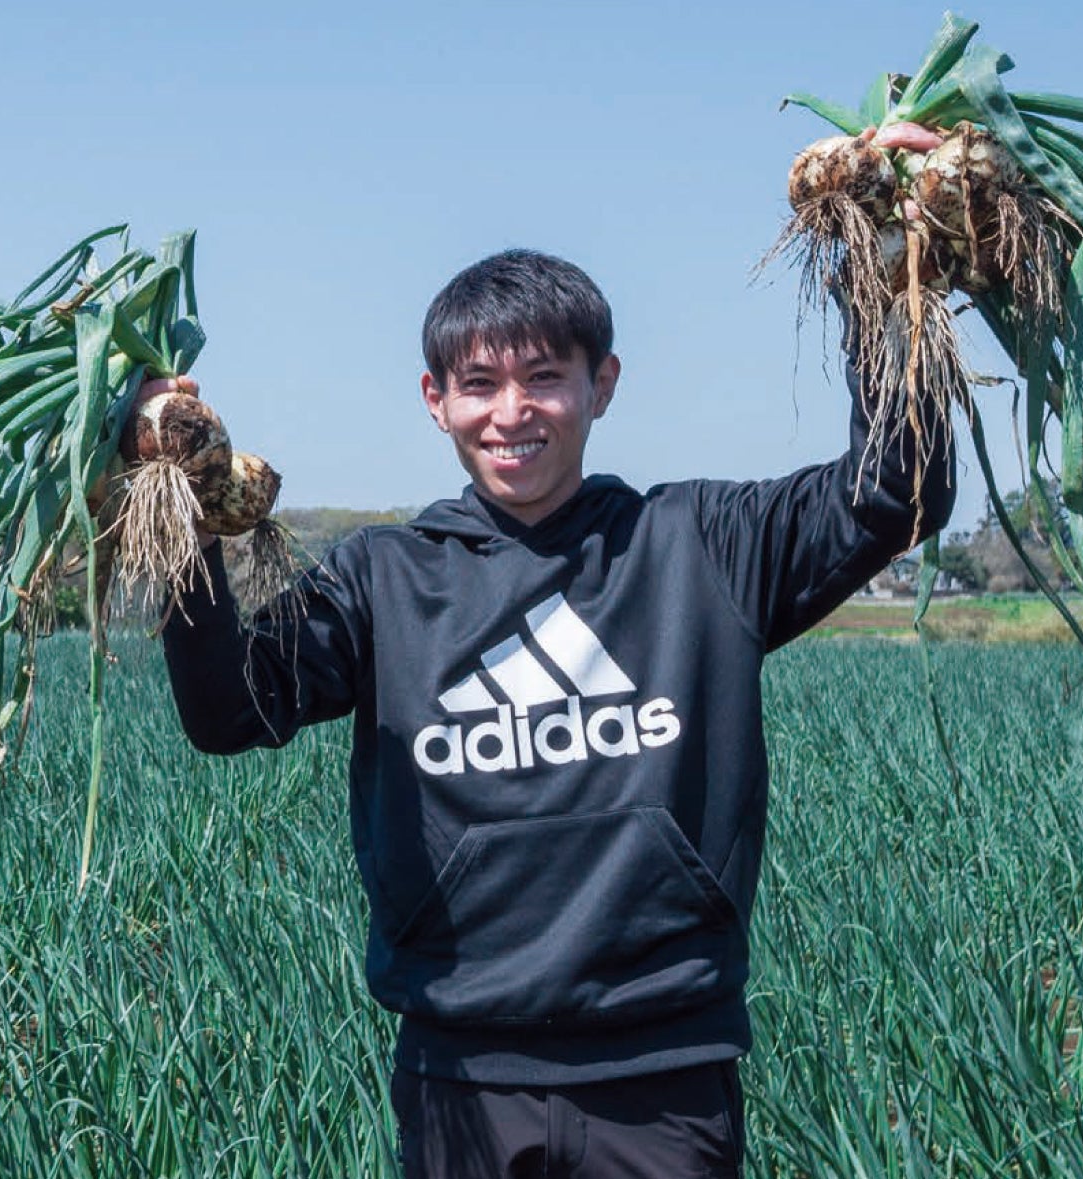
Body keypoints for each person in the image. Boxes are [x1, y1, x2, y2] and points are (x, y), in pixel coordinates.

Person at [149, 248, 953, 1176]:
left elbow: (901, 486)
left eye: (545, 378)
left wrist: (892, 267)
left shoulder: (704, 547)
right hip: (461, 1076)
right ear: (435, 399)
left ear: (601, 384)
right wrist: (167, 487)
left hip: (665, 1074)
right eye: (479, 383)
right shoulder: (383, 580)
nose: (511, 411)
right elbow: (227, 710)